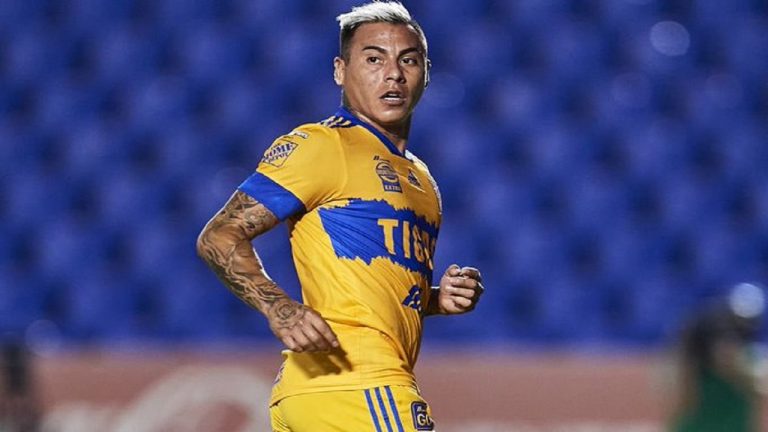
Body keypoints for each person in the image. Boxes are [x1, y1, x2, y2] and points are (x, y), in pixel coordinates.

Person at [196, 2, 484, 431]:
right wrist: (280, 307)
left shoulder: (422, 179)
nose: (393, 74)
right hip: (357, 382)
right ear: (339, 71)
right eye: (374, 59)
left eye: (408, 60)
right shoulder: (323, 145)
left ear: (426, 73)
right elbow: (219, 235)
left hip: (320, 390)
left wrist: (435, 298)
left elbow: (372, 289)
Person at [668, 283, 766, 432]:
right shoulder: (719, 324)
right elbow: (724, 357)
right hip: (702, 376)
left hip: (715, 381)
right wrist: (750, 381)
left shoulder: (746, 330)